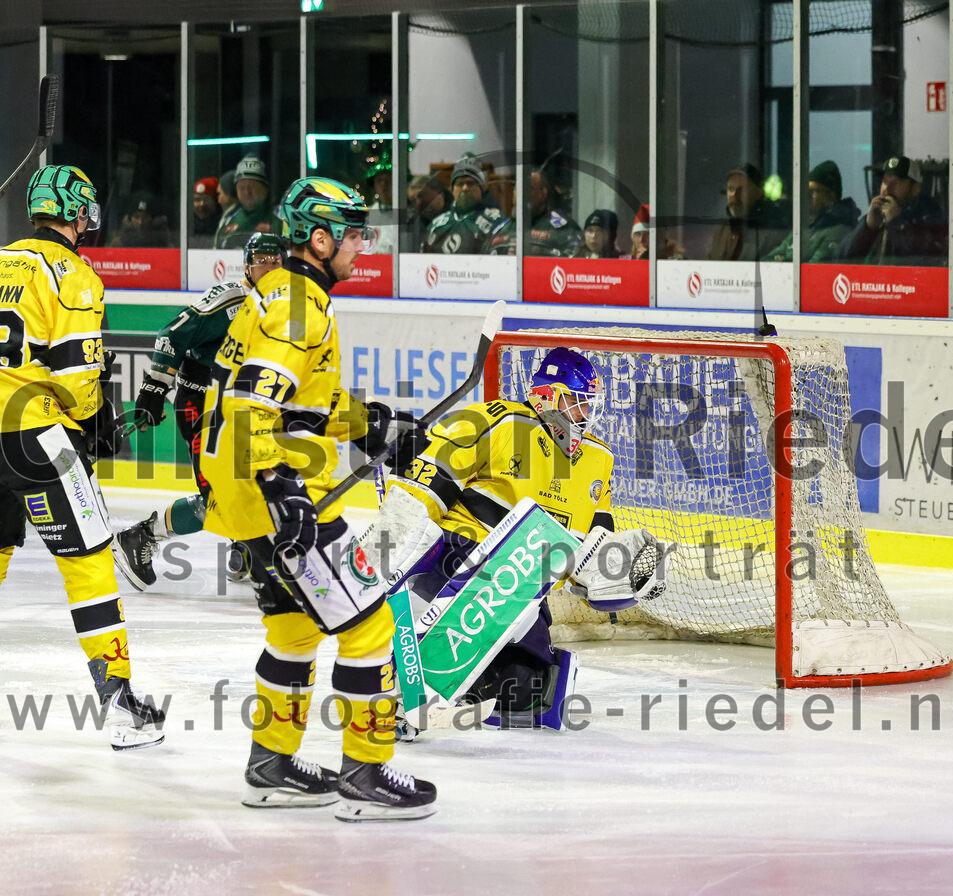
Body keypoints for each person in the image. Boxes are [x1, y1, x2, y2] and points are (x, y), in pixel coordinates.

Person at [199, 176, 436, 820]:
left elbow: (298, 400)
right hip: (279, 494)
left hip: (245, 496)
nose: (363, 244)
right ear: (321, 238)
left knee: (295, 628)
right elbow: (253, 404)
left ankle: (270, 764)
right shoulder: (301, 305)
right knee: (370, 628)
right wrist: (285, 491)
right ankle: (366, 772)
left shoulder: (280, 294)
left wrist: (370, 424)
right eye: (355, 233)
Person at [371, 348, 662, 731]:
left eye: (590, 406)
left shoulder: (598, 460)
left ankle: (461, 689)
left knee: (525, 694)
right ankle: (407, 683)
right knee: (500, 591)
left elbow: (590, 551)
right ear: (550, 396)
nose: (585, 416)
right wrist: (391, 554)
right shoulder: (495, 421)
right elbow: (422, 495)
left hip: (526, 589)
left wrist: (621, 578)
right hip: (457, 562)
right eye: (578, 403)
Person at [0, 164, 165, 749]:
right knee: (91, 559)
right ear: (76, 213)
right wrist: (94, 426)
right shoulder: (73, 274)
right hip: (37, 435)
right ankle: (120, 704)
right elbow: (75, 378)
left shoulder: (1, 258)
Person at [112, 233, 288, 590]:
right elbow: (172, 334)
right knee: (217, 499)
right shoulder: (229, 300)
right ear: (248, 265)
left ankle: (246, 550)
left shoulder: (286, 306)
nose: (269, 268)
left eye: (275, 262)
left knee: (263, 483)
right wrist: (153, 388)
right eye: (261, 262)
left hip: (245, 413)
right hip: (202, 407)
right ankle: (140, 537)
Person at [835, 155, 946, 266]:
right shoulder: (876, 219)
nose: (887, 189)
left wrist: (896, 223)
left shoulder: (929, 217)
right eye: (884, 181)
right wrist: (868, 227)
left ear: (915, 189)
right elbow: (840, 259)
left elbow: (922, 260)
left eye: (896, 183)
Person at [762, 160, 861, 263]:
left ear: (830, 195)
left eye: (815, 191)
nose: (807, 196)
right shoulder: (804, 226)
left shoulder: (840, 229)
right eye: (807, 190)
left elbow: (813, 269)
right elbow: (767, 262)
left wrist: (783, 259)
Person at [422, 154, 509, 254]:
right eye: (460, 184)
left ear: (481, 188)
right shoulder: (437, 225)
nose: (465, 188)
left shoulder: (495, 221)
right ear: (452, 189)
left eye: (470, 183)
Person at [488, 169, 583, 257]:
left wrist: (539, 254)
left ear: (543, 193)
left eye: (528, 189)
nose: (521, 194)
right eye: (518, 188)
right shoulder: (503, 228)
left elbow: (576, 261)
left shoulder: (562, 227)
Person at [709, 163, 789, 261]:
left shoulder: (774, 229)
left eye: (742, 190)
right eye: (731, 189)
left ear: (759, 192)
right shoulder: (723, 229)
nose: (735, 196)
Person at [213, 154, 282, 250]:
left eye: (252, 187)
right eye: (241, 187)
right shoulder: (228, 217)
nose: (247, 192)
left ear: (265, 189)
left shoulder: (280, 217)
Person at [108, 191, 174, 248]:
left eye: (145, 217)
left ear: (153, 219)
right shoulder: (119, 243)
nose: (140, 222)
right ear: (129, 219)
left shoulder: (163, 242)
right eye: (136, 217)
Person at [405, 174, 451, 252]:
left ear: (438, 191)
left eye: (422, 195)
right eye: (413, 199)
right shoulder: (413, 224)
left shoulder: (459, 217)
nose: (418, 202)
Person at [365, 156, 397, 255]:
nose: (384, 185)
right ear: (374, 186)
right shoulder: (366, 215)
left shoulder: (408, 215)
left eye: (388, 180)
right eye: (379, 180)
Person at [191, 176, 221, 247]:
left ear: (216, 201)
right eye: (197, 200)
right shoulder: (189, 224)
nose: (201, 204)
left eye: (206, 200)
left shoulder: (222, 224)